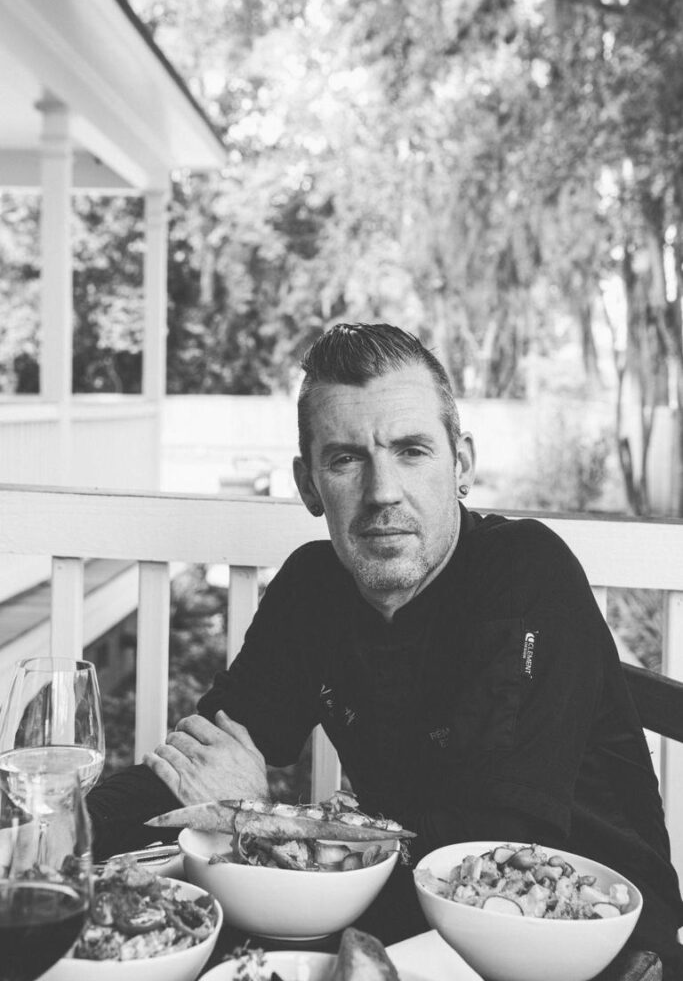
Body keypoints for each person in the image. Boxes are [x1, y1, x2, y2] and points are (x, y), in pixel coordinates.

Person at [87, 322, 683, 975]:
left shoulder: (524, 575)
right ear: (308, 484)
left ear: (461, 464)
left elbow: (489, 845)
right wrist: (63, 828)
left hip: (588, 934)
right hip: (403, 909)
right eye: (346, 459)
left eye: (411, 451)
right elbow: (201, 765)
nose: (382, 492)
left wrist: (257, 820)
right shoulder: (311, 589)